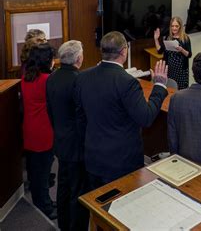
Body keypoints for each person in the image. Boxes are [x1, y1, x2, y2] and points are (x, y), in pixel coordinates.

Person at [74, 31, 169, 189]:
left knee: (97, 206)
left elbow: (80, 117)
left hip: (93, 156)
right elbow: (145, 118)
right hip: (121, 162)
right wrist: (159, 86)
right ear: (124, 51)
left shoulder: (83, 77)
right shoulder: (127, 82)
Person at [46, 40, 88, 230]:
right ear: (78, 58)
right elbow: (83, 114)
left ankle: (63, 224)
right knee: (78, 189)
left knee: (63, 186)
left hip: (60, 140)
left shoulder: (52, 78)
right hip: (77, 144)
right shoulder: (79, 80)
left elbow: (50, 111)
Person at [21, 43, 57, 219]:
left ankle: (42, 202)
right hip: (44, 132)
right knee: (43, 173)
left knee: (35, 173)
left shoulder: (26, 77)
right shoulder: (47, 80)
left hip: (29, 130)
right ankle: (46, 207)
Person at [155, 17, 192, 90]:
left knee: (181, 90)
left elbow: (189, 54)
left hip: (181, 71)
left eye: (176, 26)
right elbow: (159, 51)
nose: (174, 28)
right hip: (170, 70)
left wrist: (182, 50)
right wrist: (156, 39)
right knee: (170, 89)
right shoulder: (168, 38)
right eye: (172, 26)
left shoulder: (185, 38)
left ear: (180, 27)